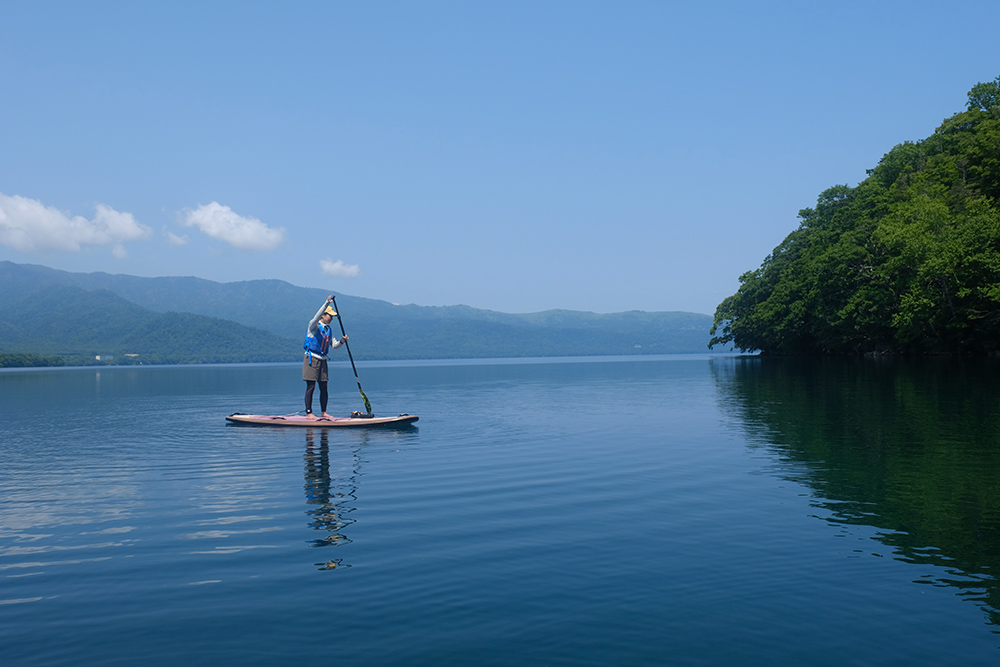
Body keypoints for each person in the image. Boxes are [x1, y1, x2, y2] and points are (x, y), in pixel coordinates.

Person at [302, 296, 348, 419]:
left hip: (323, 360)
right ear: (323, 315)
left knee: (324, 387)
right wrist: (326, 303)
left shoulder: (328, 330)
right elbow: (316, 316)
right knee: (311, 385)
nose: (332, 318)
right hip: (311, 358)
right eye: (330, 315)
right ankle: (309, 413)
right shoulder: (313, 326)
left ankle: (323, 412)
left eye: (333, 316)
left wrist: (342, 341)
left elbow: (335, 346)